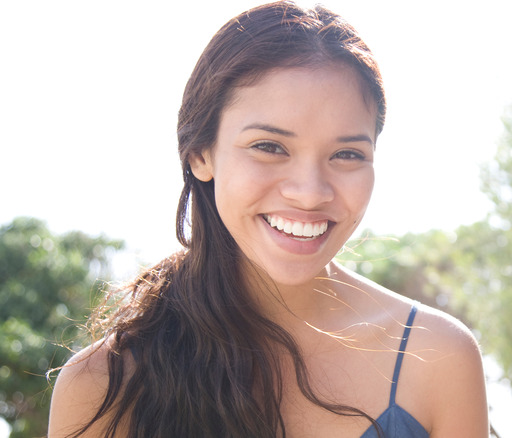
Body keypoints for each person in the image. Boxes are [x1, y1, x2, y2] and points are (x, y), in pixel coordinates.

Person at [48, 1, 489, 437]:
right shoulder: (102, 384)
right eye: (269, 146)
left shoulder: (437, 358)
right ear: (201, 153)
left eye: (347, 154)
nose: (310, 192)